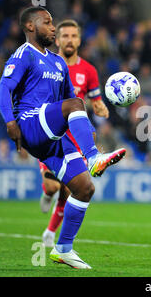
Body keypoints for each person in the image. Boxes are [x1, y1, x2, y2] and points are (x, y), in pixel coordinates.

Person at [0, 6, 126, 269]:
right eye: (47, 22)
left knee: (84, 188)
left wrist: (87, 132)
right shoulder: (24, 55)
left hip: (52, 136)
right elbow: (3, 88)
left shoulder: (57, 62)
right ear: (30, 26)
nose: (53, 28)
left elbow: (70, 102)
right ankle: (93, 158)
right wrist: (10, 122)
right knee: (75, 105)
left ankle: (63, 248)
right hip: (30, 123)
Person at [39, 19, 110, 248]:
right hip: (50, 134)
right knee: (53, 186)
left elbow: (96, 100)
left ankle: (50, 233)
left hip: (76, 136)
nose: (69, 40)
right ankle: (47, 193)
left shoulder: (89, 70)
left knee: (72, 187)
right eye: (65, 36)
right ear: (57, 39)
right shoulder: (46, 65)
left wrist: (101, 107)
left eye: (74, 36)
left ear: (79, 40)